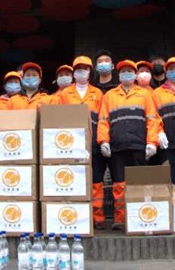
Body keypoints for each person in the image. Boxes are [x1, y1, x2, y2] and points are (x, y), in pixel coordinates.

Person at [97, 60, 161, 230]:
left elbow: (152, 120)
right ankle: (120, 218)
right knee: (119, 184)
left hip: (138, 146)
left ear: (135, 75)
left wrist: (152, 142)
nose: (126, 74)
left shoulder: (145, 94)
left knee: (139, 184)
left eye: (129, 71)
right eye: (123, 71)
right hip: (117, 147)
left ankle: (138, 218)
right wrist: (103, 141)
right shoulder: (109, 95)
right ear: (119, 75)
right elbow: (103, 121)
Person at [58, 56, 106, 229]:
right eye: (78, 69)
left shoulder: (98, 93)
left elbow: (103, 119)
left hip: (93, 144)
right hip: (72, 145)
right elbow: (59, 120)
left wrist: (103, 141)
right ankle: (78, 216)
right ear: (74, 73)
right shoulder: (65, 94)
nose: (81, 72)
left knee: (96, 180)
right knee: (75, 180)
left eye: (85, 69)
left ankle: (98, 217)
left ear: (90, 72)